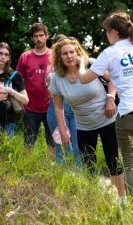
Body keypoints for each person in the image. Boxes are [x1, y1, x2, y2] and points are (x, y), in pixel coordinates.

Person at [78, 12, 133, 207]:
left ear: (113, 32)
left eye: (106, 32)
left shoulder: (110, 53)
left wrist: (80, 64)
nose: (106, 36)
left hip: (130, 113)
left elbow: (84, 79)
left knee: (131, 166)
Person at [48, 37, 126, 203]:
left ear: (78, 52)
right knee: (88, 163)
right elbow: (58, 107)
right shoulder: (57, 78)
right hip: (83, 125)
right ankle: (95, 201)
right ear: (59, 57)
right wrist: (63, 132)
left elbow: (113, 79)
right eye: (64, 54)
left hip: (107, 119)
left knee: (113, 159)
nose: (69, 56)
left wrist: (111, 98)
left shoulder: (90, 63)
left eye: (72, 52)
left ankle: (122, 199)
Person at [16, 23, 55, 152]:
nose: (39, 39)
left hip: (51, 105)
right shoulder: (25, 57)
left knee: (52, 141)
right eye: (36, 36)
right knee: (29, 141)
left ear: (47, 36)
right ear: (32, 38)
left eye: (41, 35)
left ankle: (53, 169)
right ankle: (28, 168)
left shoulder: (54, 56)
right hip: (30, 107)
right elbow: (18, 81)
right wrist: (21, 103)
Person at [46, 34, 81, 169]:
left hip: (76, 106)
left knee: (78, 143)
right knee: (60, 144)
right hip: (57, 106)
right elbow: (53, 94)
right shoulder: (51, 69)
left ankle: (80, 177)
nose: (67, 55)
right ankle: (62, 179)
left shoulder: (79, 65)